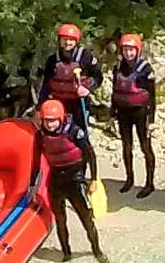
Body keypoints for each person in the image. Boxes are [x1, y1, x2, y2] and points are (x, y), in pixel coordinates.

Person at [38, 100, 108, 262]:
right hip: (56, 180)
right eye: (47, 120)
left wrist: (94, 179)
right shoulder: (41, 134)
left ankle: (97, 251)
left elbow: (90, 154)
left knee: (85, 218)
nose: (50, 124)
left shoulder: (74, 132)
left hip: (75, 179)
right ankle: (66, 253)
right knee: (60, 220)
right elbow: (36, 158)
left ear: (61, 118)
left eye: (53, 120)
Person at [32, 23, 105, 155]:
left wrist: (88, 88)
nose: (67, 42)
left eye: (71, 40)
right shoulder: (52, 60)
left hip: (78, 103)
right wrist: (39, 108)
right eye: (64, 39)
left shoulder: (86, 57)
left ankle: (83, 166)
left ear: (76, 41)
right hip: (59, 104)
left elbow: (98, 77)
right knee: (55, 135)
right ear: (59, 40)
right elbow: (46, 86)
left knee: (80, 135)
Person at [108, 33, 162, 198]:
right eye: (125, 50)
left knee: (145, 148)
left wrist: (151, 119)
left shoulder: (145, 69)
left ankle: (149, 183)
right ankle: (129, 179)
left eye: (131, 50)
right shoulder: (117, 68)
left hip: (141, 113)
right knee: (126, 146)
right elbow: (114, 91)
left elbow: (152, 95)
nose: (128, 53)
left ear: (137, 50)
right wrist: (112, 112)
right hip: (123, 112)